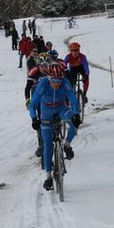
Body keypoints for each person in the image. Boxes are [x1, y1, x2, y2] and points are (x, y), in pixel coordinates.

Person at [28, 62, 81, 191]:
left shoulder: (65, 82)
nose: (56, 84)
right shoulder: (43, 83)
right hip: (46, 112)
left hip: (61, 108)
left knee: (74, 123)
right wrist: (34, 118)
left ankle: (67, 145)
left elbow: (73, 100)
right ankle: (48, 177)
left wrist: (76, 115)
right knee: (47, 144)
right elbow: (33, 104)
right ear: (49, 78)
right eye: (53, 81)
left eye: (58, 81)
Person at [25, 55, 50, 157]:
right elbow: (27, 87)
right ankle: (41, 144)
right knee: (40, 119)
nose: (44, 68)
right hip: (38, 96)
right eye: (42, 66)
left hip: (50, 96)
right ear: (38, 65)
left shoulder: (52, 70)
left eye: (46, 65)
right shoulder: (34, 71)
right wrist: (27, 99)